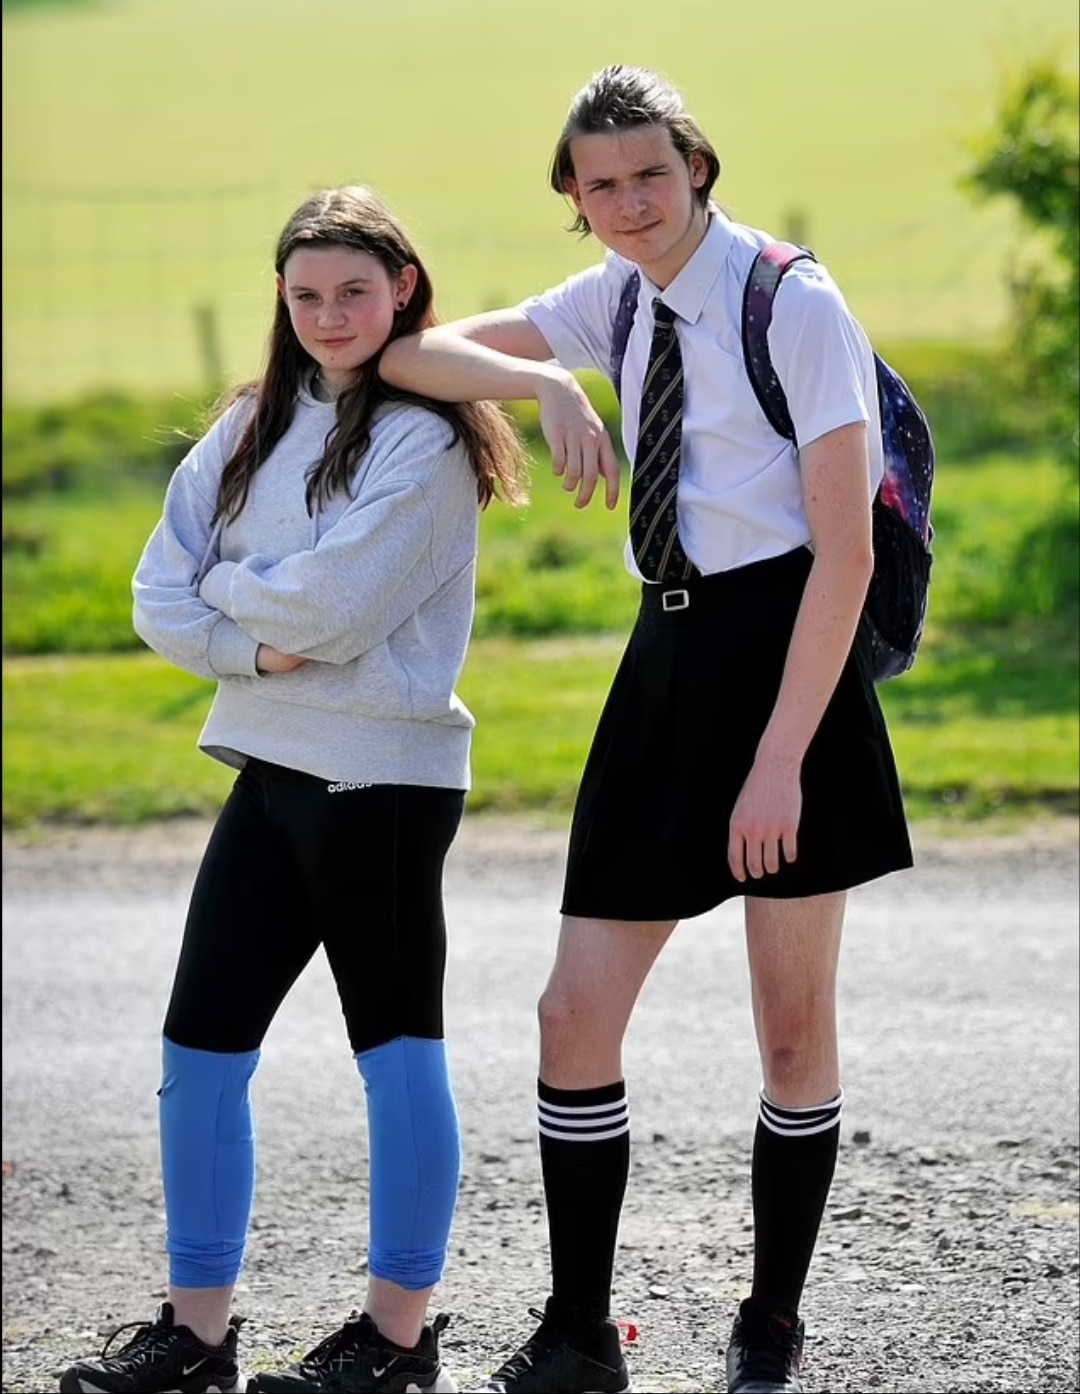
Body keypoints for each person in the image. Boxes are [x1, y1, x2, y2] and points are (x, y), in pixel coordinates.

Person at [378, 64, 914, 1394]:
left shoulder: (793, 301)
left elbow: (843, 555)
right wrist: (549, 387)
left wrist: (783, 756)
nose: (628, 204)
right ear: (574, 195)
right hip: (666, 658)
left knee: (792, 1034)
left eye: (650, 177)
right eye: (599, 184)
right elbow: (405, 351)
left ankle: (770, 1320)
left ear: (699, 170)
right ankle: (579, 1331)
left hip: (795, 660)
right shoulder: (612, 300)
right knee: (573, 1011)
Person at [58, 184, 528, 1394]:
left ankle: (396, 1338)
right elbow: (160, 586)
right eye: (308, 293)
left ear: (405, 290)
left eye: (355, 292)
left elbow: (338, 605)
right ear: (283, 297)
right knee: (198, 1048)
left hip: (380, 772)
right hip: (266, 760)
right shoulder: (252, 424)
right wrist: (247, 640)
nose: (330, 314)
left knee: (396, 1048)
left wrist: (236, 595)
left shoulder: (424, 438)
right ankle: (197, 1335)